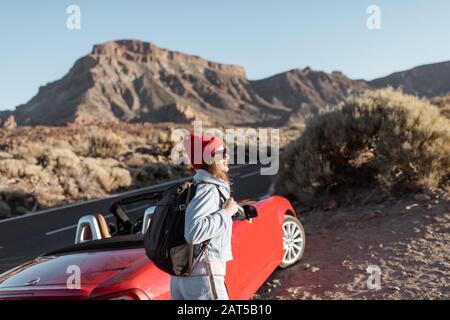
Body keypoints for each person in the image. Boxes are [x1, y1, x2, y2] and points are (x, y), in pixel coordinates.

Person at [170, 133, 238, 300]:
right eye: (222, 153)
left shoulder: (197, 187)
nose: (227, 156)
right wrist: (225, 213)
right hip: (203, 277)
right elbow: (193, 232)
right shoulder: (207, 189)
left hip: (184, 277)